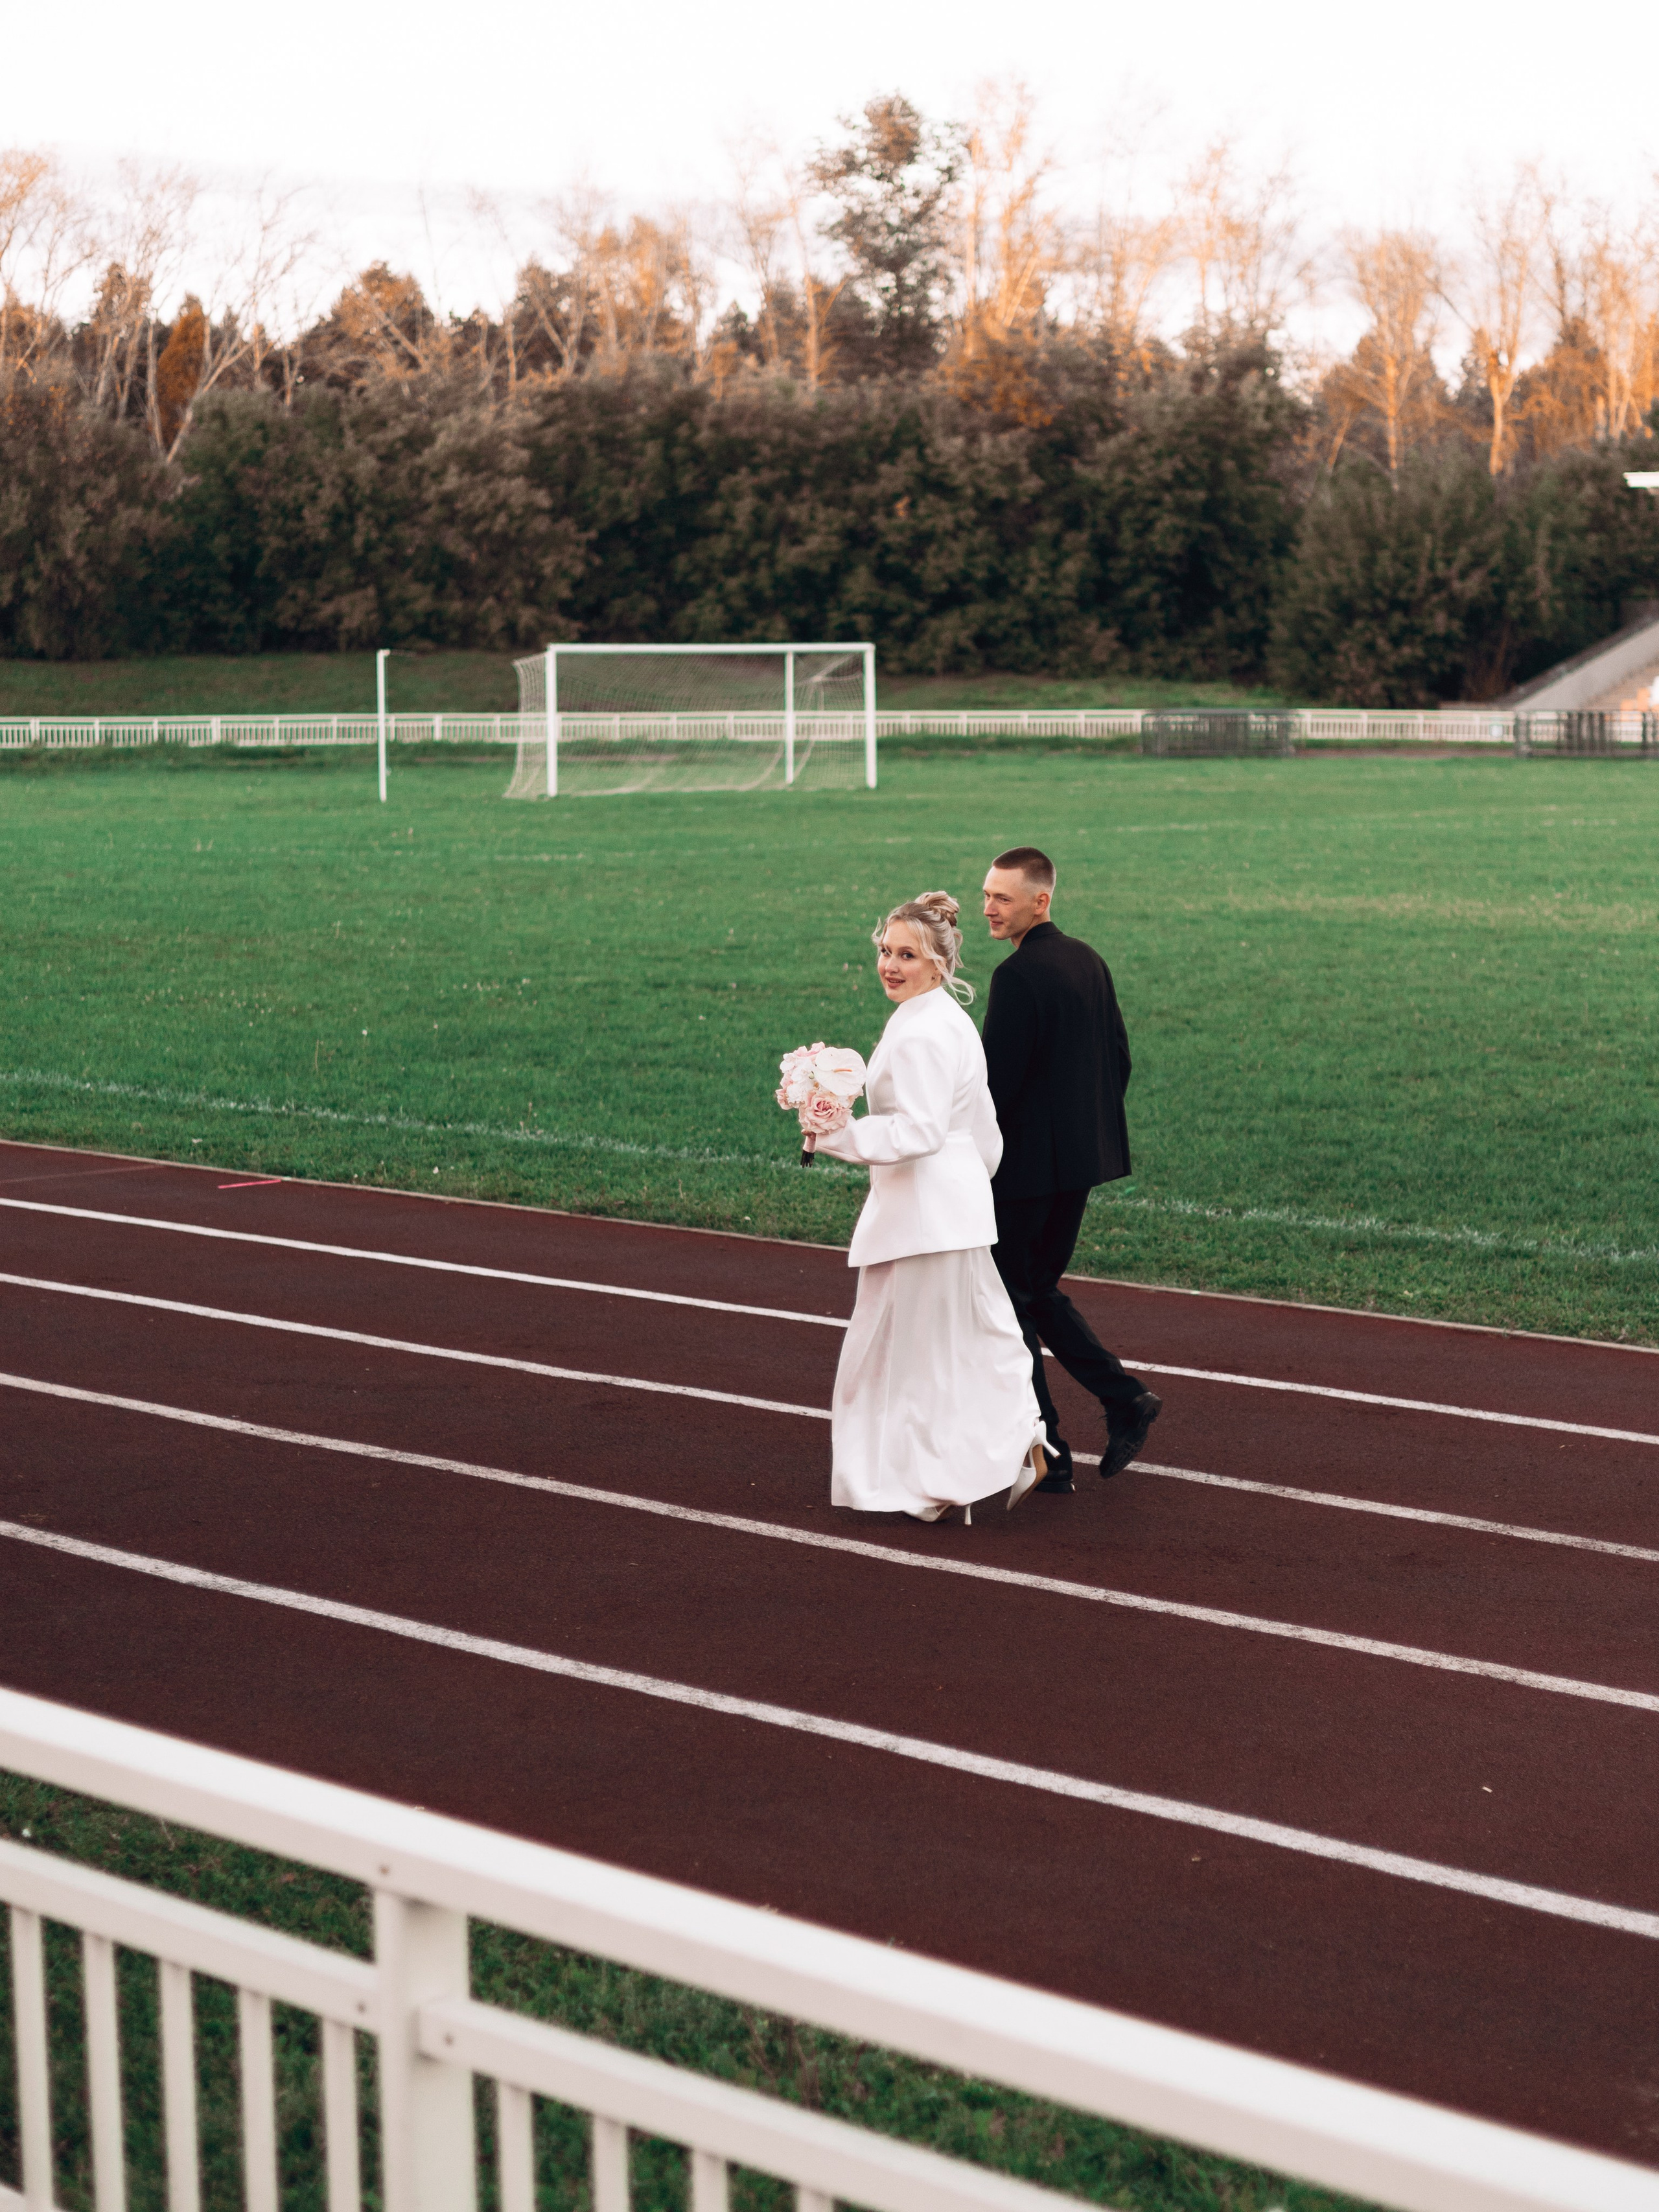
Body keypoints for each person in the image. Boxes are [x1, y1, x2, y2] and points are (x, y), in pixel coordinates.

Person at [814, 892, 1047, 1524]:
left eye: (906, 954)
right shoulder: (945, 1019)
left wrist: (832, 1131)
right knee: (966, 1338)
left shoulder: (921, 1031)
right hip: (953, 1208)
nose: (890, 964)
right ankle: (1004, 1445)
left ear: (940, 962)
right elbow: (984, 1128)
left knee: (899, 1352)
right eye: (886, 951)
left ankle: (938, 1477)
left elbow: (916, 1132)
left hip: (920, 1216)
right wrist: (969, 1186)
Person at [980, 846, 1161, 1491]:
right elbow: (1119, 1056)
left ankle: (1053, 1449)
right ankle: (1113, 1405)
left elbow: (992, 1089)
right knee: (1034, 1293)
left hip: (1025, 1172)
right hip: (1079, 1165)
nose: (989, 908)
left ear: (1040, 900)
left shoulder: (1017, 976)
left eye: (1003, 897)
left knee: (1010, 1303)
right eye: (987, 895)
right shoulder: (1088, 959)